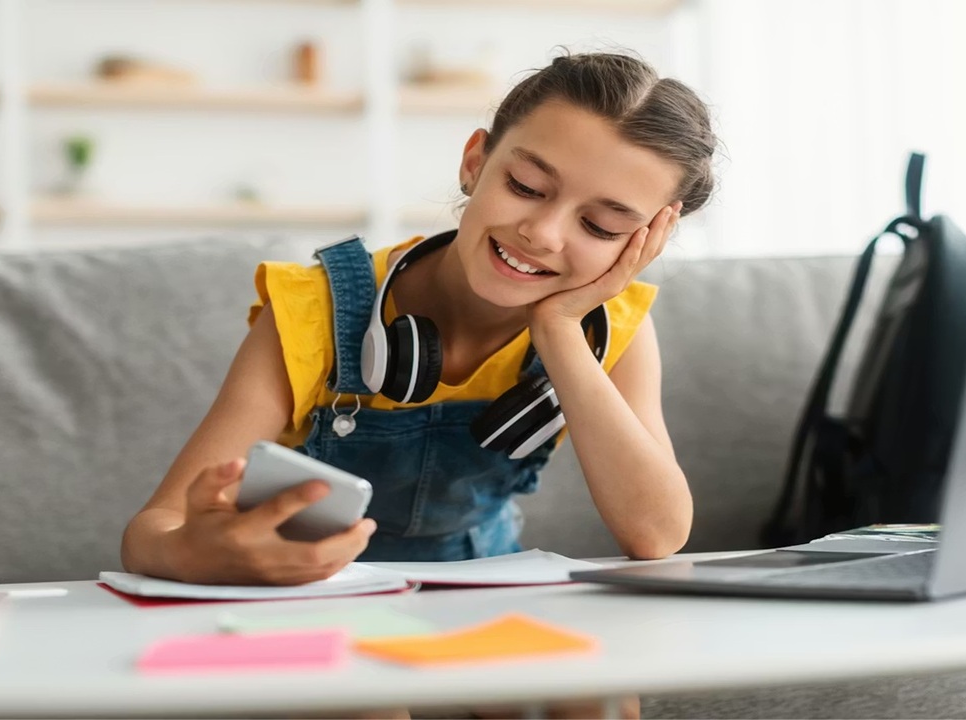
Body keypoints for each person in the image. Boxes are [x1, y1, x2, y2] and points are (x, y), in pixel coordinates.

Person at [121, 49, 716, 587]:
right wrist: (194, 552)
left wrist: (559, 330)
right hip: (318, 594)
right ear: (475, 161)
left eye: (601, 227)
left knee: (594, 701)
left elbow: (657, 536)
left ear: (642, 242)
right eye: (526, 185)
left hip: (484, 590)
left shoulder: (609, 329)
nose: (542, 233)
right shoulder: (314, 308)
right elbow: (151, 532)